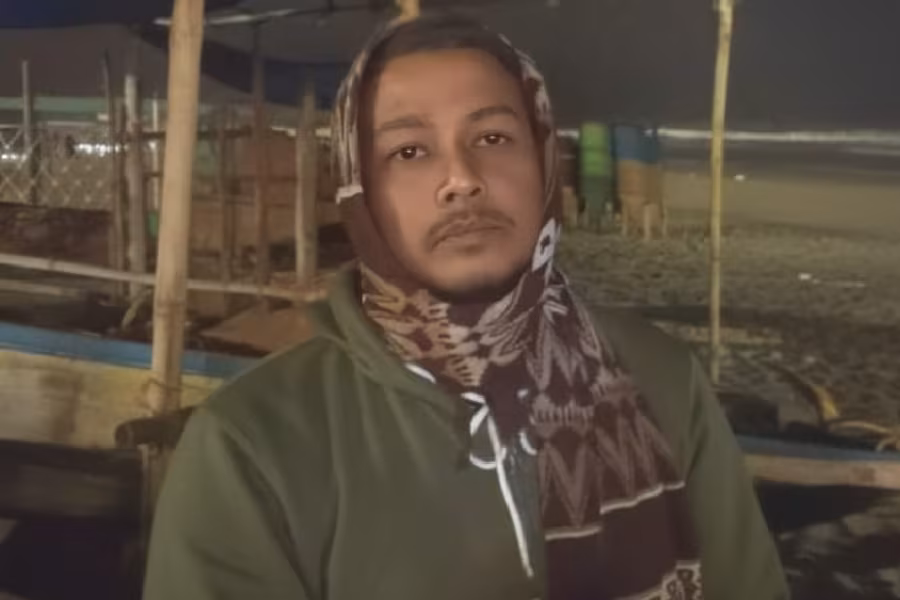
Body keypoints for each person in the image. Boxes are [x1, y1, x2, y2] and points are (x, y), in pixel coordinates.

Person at [143, 13, 788, 600]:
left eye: (494, 137)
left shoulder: (662, 378)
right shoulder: (253, 446)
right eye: (409, 151)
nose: (461, 179)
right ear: (360, 190)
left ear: (543, 160)